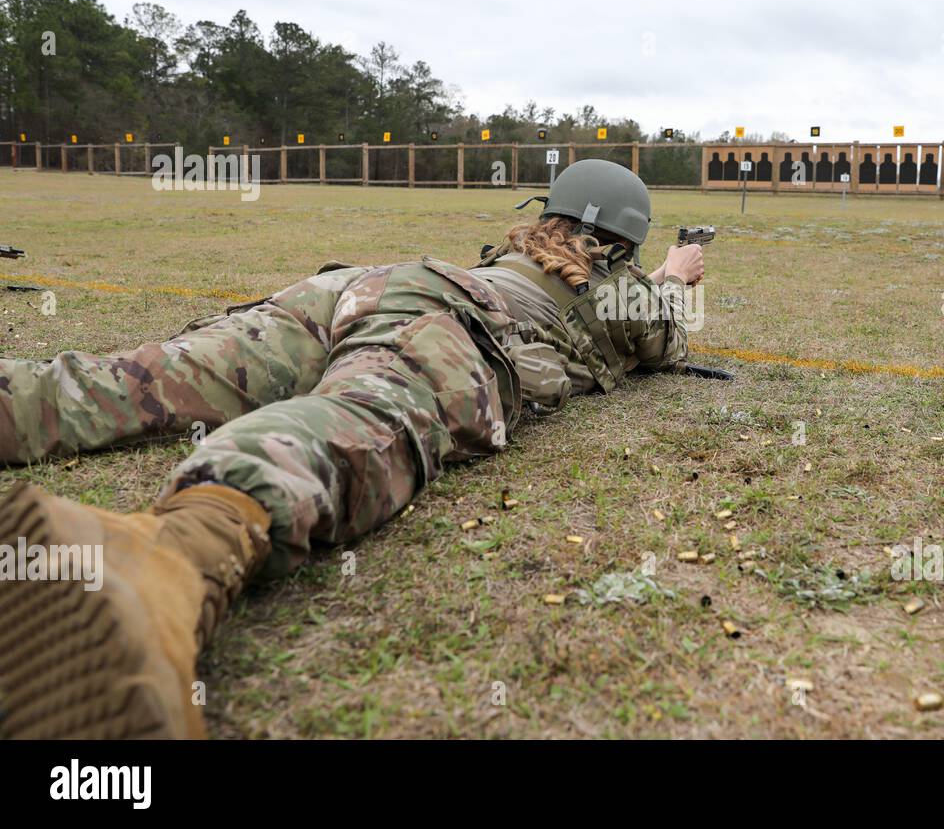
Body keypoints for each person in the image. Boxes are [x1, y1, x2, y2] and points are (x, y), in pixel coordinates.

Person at [0, 159, 705, 739]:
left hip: (353, 287)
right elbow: (665, 343)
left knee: (132, 382)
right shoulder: (625, 290)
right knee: (357, 420)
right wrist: (674, 276)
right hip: (439, 320)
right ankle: (167, 560)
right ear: (624, 242)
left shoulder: (513, 256)